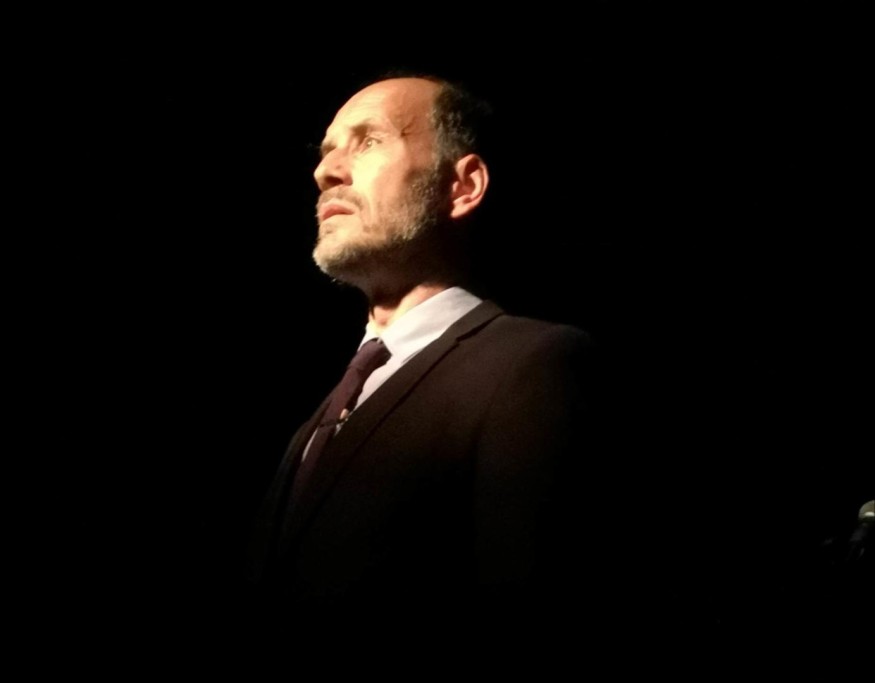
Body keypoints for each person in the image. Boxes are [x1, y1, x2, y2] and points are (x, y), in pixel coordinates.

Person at [246, 74, 605, 643]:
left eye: (368, 141)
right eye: (327, 151)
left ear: (463, 187)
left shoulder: (532, 365)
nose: (325, 171)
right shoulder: (320, 415)